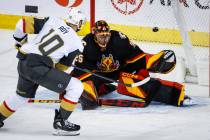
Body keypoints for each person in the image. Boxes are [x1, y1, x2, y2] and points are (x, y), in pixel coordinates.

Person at [0, 7, 86, 136]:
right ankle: (61, 123)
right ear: (79, 23)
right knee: (76, 86)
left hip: (23, 61)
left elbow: (21, 24)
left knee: (21, 96)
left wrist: (20, 41)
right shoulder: (77, 44)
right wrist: (50, 67)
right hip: (39, 67)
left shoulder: (53, 20)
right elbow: (61, 68)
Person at [70, 20, 191, 110]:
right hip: (97, 74)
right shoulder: (86, 44)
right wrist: (76, 90)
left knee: (137, 82)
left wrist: (146, 67)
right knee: (83, 89)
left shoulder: (119, 38)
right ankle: (99, 88)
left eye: (106, 35)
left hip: (120, 69)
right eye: (101, 36)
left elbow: (136, 56)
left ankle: (175, 94)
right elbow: (79, 69)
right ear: (94, 34)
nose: (104, 39)